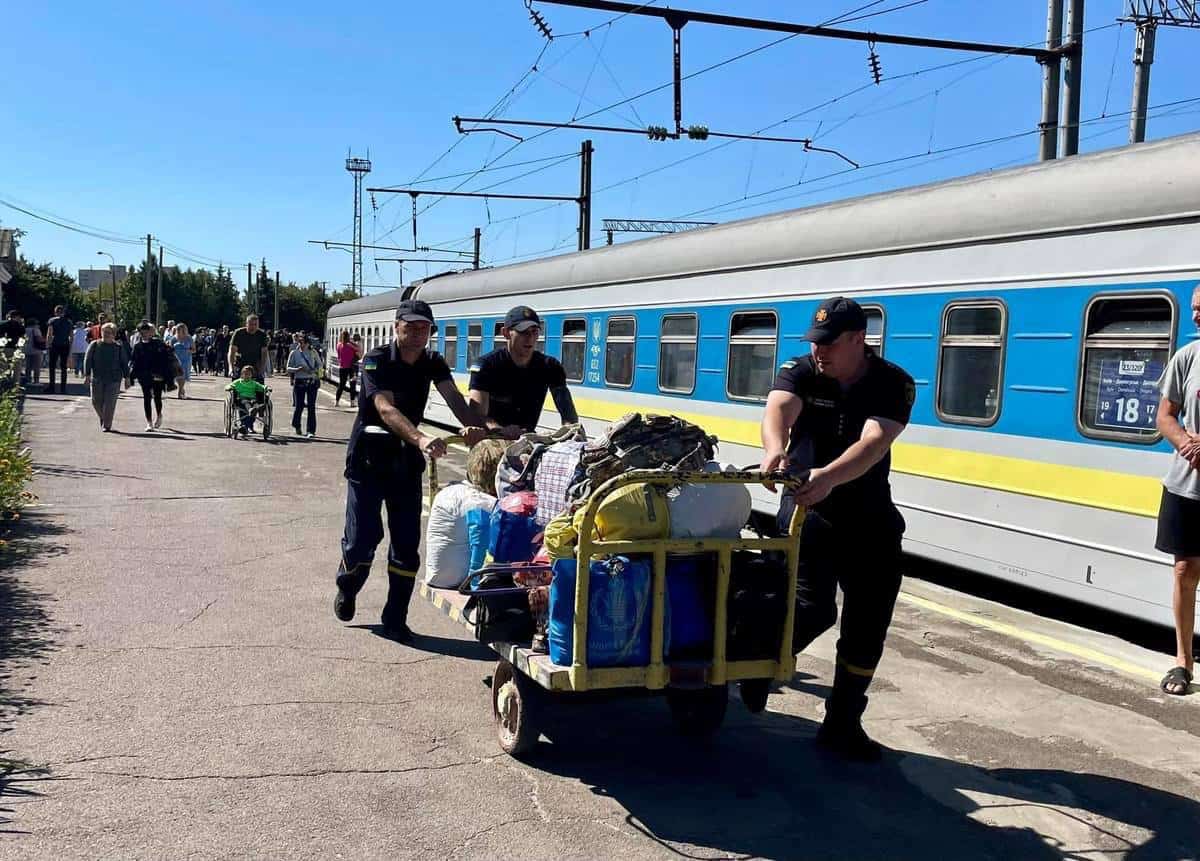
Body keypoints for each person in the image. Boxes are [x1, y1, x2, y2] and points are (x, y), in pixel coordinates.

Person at [759, 296, 915, 762]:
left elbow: (874, 441)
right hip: (809, 511)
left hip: (866, 512)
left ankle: (844, 723)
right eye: (816, 342)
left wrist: (828, 476)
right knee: (810, 608)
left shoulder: (892, 382)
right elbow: (779, 410)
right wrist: (773, 448)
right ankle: (754, 670)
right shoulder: (802, 369)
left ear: (857, 340)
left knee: (869, 620)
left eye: (829, 344)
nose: (820, 352)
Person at [333, 299, 487, 642]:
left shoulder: (432, 361)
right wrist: (420, 437)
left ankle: (395, 619)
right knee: (363, 540)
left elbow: (457, 401)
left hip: (405, 464)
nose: (418, 334)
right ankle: (347, 584)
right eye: (411, 326)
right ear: (396, 327)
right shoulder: (375, 361)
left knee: (406, 544)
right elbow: (385, 409)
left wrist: (482, 430)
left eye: (424, 328)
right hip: (369, 462)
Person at [1154, 285, 1200, 696]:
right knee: (1184, 571)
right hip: (1187, 486)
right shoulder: (1187, 358)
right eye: (1195, 310)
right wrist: (1186, 442)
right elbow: (1164, 416)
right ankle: (1183, 662)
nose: (1197, 317)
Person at [468, 305, 578, 438]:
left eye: (534, 332)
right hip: (491, 438)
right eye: (523, 332)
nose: (530, 338)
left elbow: (568, 414)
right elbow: (477, 415)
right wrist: (500, 429)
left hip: (526, 440)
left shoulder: (550, 367)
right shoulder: (486, 366)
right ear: (506, 333)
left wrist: (571, 433)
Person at [83, 322, 131, 432]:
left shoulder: (118, 347)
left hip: (114, 379)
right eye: (104, 332)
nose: (106, 334)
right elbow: (88, 360)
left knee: (110, 403)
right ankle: (104, 418)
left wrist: (127, 378)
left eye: (109, 333)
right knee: (96, 402)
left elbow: (124, 363)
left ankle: (107, 425)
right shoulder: (95, 344)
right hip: (97, 378)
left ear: (114, 334)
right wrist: (87, 375)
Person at [130, 322, 173, 432]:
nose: (144, 334)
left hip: (157, 374)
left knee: (157, 397)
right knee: (146, 398)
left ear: (150, 332)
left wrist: (166, 375)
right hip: (144, 376)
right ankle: (149, 422)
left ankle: (159, 415)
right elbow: (134, 362)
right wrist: (131, 376)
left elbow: (166, 358)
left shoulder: (158, 343)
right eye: (142, 332)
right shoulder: (137, 346)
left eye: (146, 332)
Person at [286, 333, 321, 437]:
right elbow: (288, 368)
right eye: (299, 342)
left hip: (311, 381)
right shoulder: (294, 353)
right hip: (299, 380)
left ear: (307, 343)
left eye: (303, 343)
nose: (301, 344)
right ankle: (296, 424)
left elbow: (320, 365)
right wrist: (297, 369)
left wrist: (315, 371)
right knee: (299, 406)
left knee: (311, 406)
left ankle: (311, 431)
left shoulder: (313, 352)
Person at [225, 365, 269, 437]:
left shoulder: (254, 383)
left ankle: (246, 425)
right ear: (242, 374)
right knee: (247, 403)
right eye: (245, 374)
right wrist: (229, 388)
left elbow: (262, 387)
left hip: (252, 399)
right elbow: (228, 386)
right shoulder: (238, 382)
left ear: (252, 375)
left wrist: (267, 387)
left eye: (249, 374)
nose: (246, 375)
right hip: (242, 399)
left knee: (255, 403)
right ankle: (251, 411)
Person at [229, 315, 269, 382]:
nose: (253, 327)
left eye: (255, 324)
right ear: (246, 324)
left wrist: (262, 370)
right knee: (236, 388)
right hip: (240, 363)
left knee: (259, 389)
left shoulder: (262, 335)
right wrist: (231, 368)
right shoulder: (238, 333)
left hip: (256, 365)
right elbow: (232, 352)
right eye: (250, 324)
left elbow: (264, 353)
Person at [45, 305, 74, 394]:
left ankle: (52, 387)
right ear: (63, 313)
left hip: (55, 344)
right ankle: (63, 388)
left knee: (52, 367)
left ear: (55, 312)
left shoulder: (52, 321)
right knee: (63, 367)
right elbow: (71, 336)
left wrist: (47, 345)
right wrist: (70, 347)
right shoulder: (69, 322)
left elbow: (50, 334)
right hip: (65, 345)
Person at [334, 330, 361, 407]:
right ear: (348, 337)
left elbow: (339, 356)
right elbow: (358, 349)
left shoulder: (338, 345)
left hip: (342, 367)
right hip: (351, 367)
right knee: (352, 385)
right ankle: (352, 403)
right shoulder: (350, 346)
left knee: (341, 385)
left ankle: (336, 402)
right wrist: (352, 342)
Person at [171, 323, 194, 399]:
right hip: (176, 359)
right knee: (178, 376)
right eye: (177, 329)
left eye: (180, 329)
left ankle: (180, 392)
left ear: (184, 330)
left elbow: (194, 349)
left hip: (186, 359)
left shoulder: (189, 338)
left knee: (183, 376)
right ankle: (182, 389)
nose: (178, 330)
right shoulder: (173, 338)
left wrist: (188, 351)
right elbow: (170, 349)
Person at [23, 317, 46, 388]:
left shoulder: (24, 330)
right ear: (35, 324)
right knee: (36, 367)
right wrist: (45, 340)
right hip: (36, 350)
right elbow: (38, 339)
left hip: (26, 350)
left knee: (28, 366)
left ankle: (28, 380)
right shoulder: (36, 330)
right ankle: (36, 381)